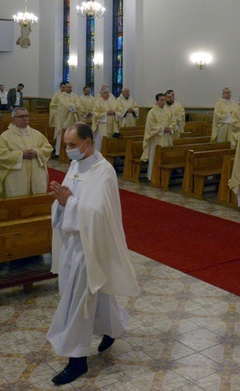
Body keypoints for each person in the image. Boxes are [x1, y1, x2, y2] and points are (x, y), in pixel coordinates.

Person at [47, 123, 140, 385]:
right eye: (65, 145)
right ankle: (112, 328)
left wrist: (69, 203)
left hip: (91, 245)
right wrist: (61, 202)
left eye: (72, 145)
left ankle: (77, 361)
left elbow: (98, 213)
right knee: (98, 295)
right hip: (72, 243)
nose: (67, 151)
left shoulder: (104, 171)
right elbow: (67, 200)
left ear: (88, 143)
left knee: (78, 303)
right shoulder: (76, 165)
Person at [0, 107, 52, 199]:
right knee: (17, 202)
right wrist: (21, 155)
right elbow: (1, 155)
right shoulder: (5, 136)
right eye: (21, 116)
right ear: (13, 119)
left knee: (36, 201)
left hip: (36, 176)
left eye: (26, 116)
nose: (25, 118)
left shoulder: (36, 134)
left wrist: (36, 152)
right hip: (16, 177)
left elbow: (47, 148)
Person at [140, 93, 176, 177]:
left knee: (165, 156)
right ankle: (153, 176)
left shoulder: (168, 110)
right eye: (161, 100)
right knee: (155, 156)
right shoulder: (152, 112)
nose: (163, 102)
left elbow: (173, 121)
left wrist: (170, 127)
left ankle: (165, 176)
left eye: (164, 100)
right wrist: (163, 128)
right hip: (157, 138)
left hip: (167, 137)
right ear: (156, 101)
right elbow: (150, 125)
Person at [92, 85, 121, 151]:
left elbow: (120, 112)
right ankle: (100, 155)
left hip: (113, 125)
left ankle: (110, 155)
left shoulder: (113, 101)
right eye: (105, 93)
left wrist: (115, 113)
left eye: (108, 92)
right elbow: (95, 114)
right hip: (103, 125)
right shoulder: (97, 102)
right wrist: (105, 113)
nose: (107, 94)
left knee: (112, 140)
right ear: (101, 94)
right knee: (101, 141)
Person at [54, 82, 79, 155]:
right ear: (64, 88)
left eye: (71, 87)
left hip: (73, 119)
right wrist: (73, 106)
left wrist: (73, 107)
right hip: (64, 120)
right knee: (63, 134)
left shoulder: (75, 96)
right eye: (68, 87)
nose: (70, 89)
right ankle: (60, 153)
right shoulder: (61, 96)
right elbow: (64, 106)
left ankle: (73, 152)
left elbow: (79, 104)